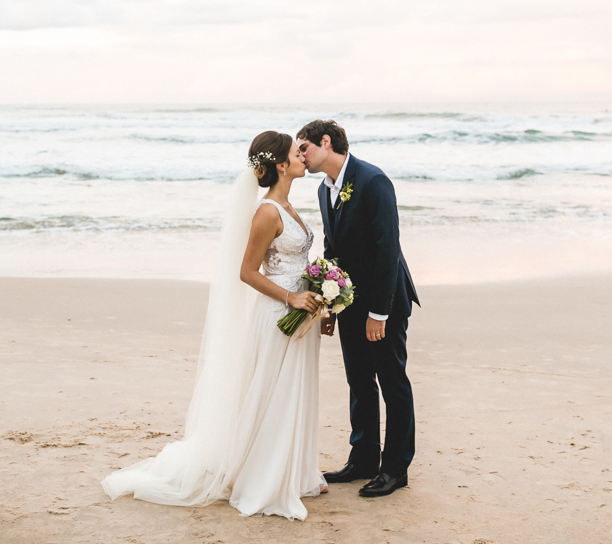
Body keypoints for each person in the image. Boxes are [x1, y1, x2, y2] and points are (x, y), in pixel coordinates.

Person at [101, 131, 327, 521]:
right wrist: (291, 298)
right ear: (279, 165)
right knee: (272, 395)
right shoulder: (268, 211)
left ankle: (294, 472)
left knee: (293, 392)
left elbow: (293, 263)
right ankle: (263, 480)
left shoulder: (288, 206)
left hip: (301, 315)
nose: (303, 158)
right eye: (296, 153)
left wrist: (321, 290)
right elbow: (245, 272)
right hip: (278, 317)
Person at [296, 119, 420, 498]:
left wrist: (379, 313)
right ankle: (363, 458)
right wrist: (331, 304)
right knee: (359, 381)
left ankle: (395, 468)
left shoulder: (372, 181)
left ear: (326, 142)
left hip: (385, 302)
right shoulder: (323, 189)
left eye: (304, 148)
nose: (300, 156)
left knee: (392, 382)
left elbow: (387, 250)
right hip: (349, 301)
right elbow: (335, 249)